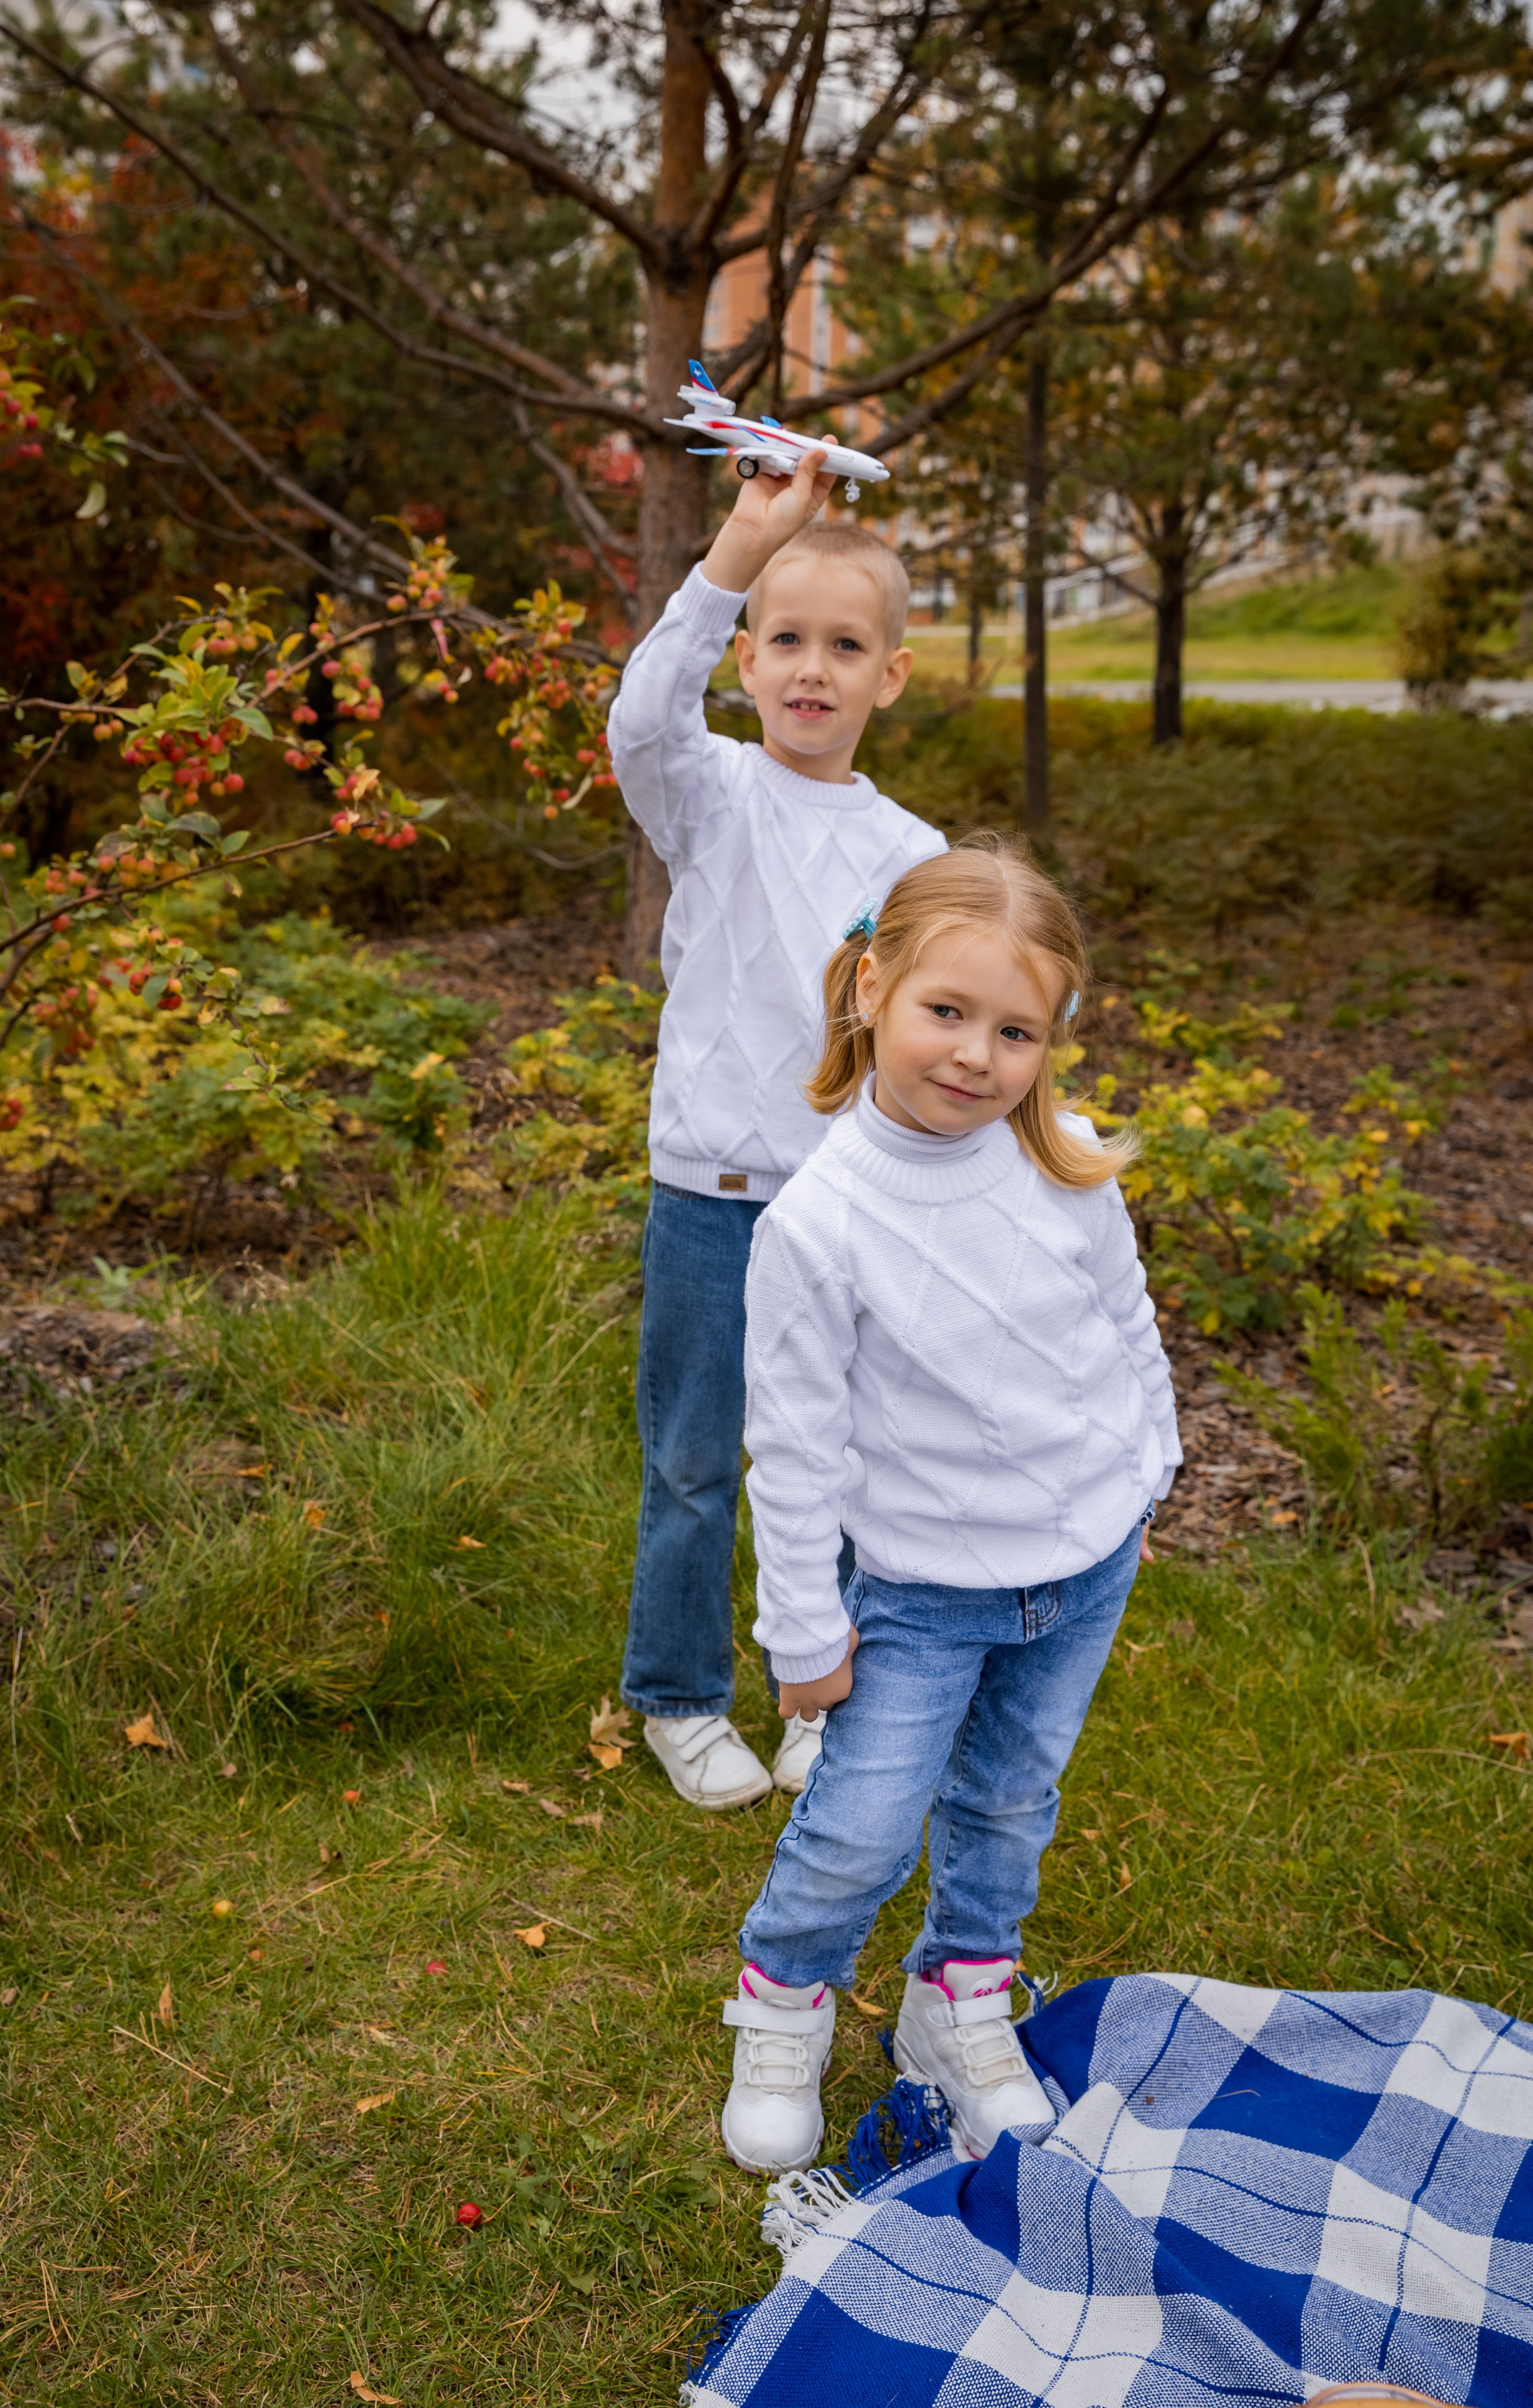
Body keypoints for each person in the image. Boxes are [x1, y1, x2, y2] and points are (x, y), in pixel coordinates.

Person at [719, 838, 1182, 2173]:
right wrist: (803, 1634)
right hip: (922, 1593)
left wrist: (1145, 1468)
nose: (977, 1056)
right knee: (861, 1824)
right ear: (872, 988)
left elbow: (1124, 1326)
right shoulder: (818, 1226)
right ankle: (783, 2002)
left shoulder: (1067, 1165)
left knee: (1009, 1801)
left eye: (1015, 1032)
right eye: (946, 1011)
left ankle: (957, 1998)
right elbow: (792, 1452)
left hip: (1080, 1570)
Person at [609, 448, 945, 1813]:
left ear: (889, 677)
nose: (813, 669)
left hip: (847, 1203)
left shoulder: (912, 854)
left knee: (842, 1466)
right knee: (695, 1462)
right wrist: (736, 554)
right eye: (787, 641)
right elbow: (642, 716)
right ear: (747, 661)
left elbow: (938, 1024)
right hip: (710, 1192)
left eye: (845, 647)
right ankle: (678, 1697)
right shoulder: (712, 793)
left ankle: (821, 1702)